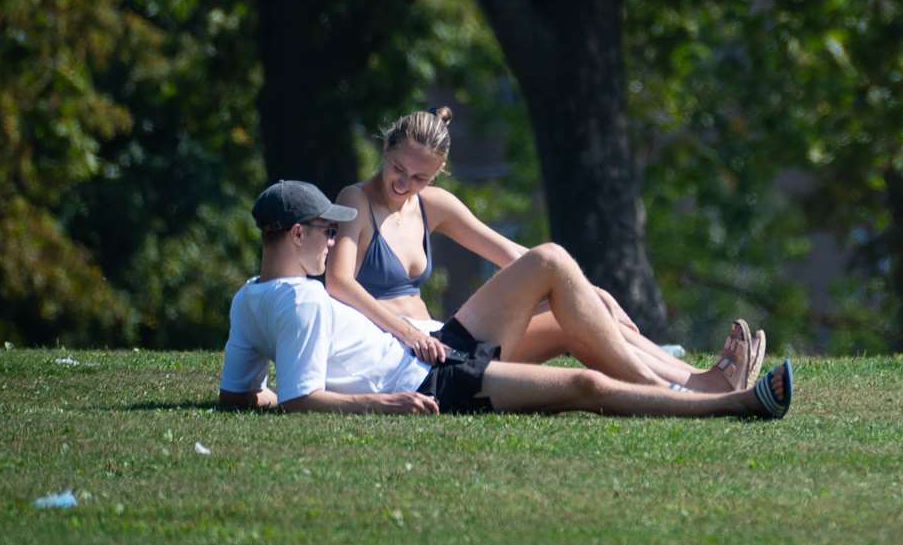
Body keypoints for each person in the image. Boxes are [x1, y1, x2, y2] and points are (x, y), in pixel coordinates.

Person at [217, 180, 794, 417]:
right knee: (583, 386)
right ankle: (728, 405)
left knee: (551, 263)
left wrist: (262, 396)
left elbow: (236, 396)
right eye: (326, 232)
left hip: (434, 350)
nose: (333, 241)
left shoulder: (250, 297)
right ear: (297, 235)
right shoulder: (305, 301)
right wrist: (385, 404)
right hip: (433, 380)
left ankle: (698, 382)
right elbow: (301, 400)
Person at [323, 106, 764, 394]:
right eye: (398, 169)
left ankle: (701, 381)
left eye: (420, 178)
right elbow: (338, 282)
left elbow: (509, 253)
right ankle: (679, 394)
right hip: (408, 352)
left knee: (587, 316)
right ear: (385, 148)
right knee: (558, 271)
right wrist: (409, 332)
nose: (404, 184)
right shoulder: (355, 200)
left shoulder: (431, 205)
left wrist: (590, 291)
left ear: (436, 177)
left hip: (443, 339)